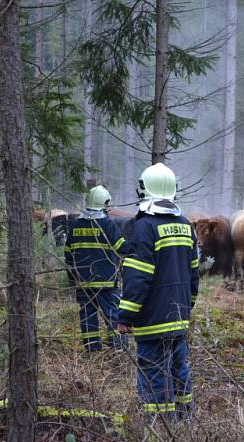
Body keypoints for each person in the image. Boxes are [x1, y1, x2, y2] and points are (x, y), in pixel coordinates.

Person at [117, 163, 199, 421]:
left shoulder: (144, 227)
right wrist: (187, 306)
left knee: (153, 373)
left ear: (143, 189)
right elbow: (194, 274)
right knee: (179, 369)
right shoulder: (186, 226)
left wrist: (125, 316)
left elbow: (137, 277)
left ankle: (159, 431)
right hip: (179, 316)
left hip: (153, 320)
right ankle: (185, 422)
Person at [65, 185, 129, 351]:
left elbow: (68, 254)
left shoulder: (75, 225)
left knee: (87, 315)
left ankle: (92, 347)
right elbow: (122, 247)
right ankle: (118, 346)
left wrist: (73, 278)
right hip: (106, 282)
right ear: (104, 203)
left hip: (83, 281)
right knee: (113, 313)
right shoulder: (107, 224)